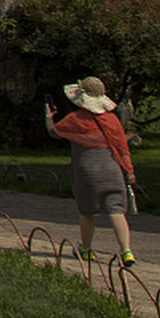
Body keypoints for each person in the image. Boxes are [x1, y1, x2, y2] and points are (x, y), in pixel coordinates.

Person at [46, 76, 137, 267]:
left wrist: (48, 117)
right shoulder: (112, 120)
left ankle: (86, 249)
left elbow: (54, 132)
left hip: (87, 170)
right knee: (116, 210)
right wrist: (128, 171)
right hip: (111, 168)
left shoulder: (76, 119)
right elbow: (122, 147)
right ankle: (126, 250)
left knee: (88, 211)